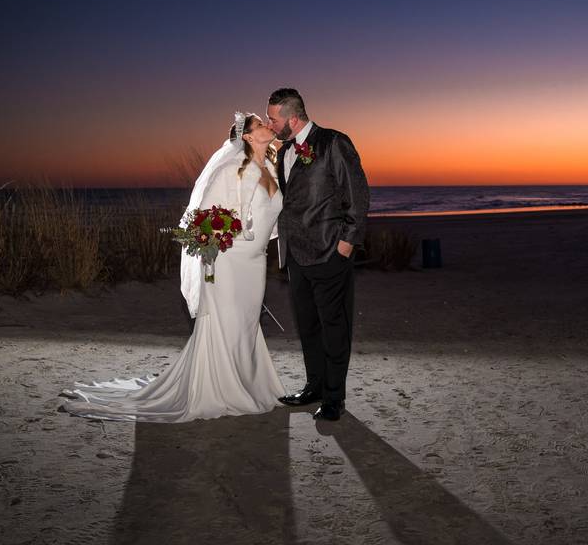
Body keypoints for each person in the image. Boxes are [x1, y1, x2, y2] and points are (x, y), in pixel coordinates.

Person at [59, 113, 286, 422]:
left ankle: (247, 382)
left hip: (255, 262)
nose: (267, 127)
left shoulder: (271, 168)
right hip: (229, 261)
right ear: (247, 137)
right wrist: (220, 232)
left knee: (246, 323)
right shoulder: (229, 169)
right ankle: (222, 389)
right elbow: (204, 216)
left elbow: (270, 217)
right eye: (260, 125)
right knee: (226, 322)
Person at [265, 88, 369, 421]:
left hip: (329, 252)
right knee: (308, 325)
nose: (270, 124)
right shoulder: (283, 153)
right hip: (296, 255)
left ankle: (335, 399)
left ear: (292, 119)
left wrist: (346, 244)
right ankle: (315, 387)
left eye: (273, 118)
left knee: (334, 326)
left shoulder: (334, 143)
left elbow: (358, 195)